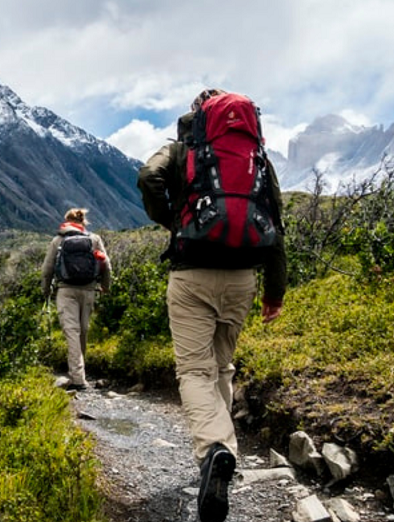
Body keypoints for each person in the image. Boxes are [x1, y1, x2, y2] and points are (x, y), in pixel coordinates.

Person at [137, 89, 287, 522]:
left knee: (193, 370)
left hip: (192, 274)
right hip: (243, 278)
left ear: (198, 116)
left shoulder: (183, 150)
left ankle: (215, 450)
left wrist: (171, 219)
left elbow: (148, 177)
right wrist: (274, 292)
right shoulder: (256, 158)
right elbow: (275, 222)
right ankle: (224, 451)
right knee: (222, 366)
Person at [41, 208, 112, 391]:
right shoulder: (94, 239)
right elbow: (106, 264)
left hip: (65, 291)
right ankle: (79, 373)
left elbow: (47, 269)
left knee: (71, 331)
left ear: (66, 221)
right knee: (83, 331)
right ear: (83, 221)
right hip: (89, 290)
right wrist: (105, 286)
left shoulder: (58, 240)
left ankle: (78, 378)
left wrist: (46, 291)